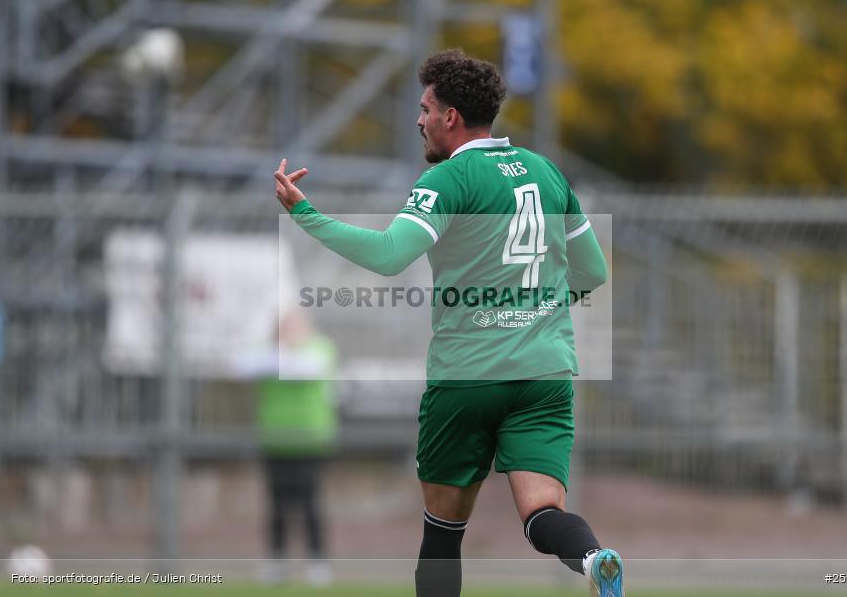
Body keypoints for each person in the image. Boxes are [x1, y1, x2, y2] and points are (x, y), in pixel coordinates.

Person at [273, 49, 621, 597]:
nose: (419, 120)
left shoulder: (450, 179)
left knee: (443, 532)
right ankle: (594, 558)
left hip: (467, 378)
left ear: (450, 116)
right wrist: (540, 304)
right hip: (544, 377)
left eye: (425, 108)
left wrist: (305, 215)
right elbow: (594, 272)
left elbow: (390, 255)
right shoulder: (546, 172)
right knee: (542, 514)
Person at [234, 310, 338, 586]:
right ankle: (276, 562)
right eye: (284, 327)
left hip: (310, 440)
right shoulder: (265, 351)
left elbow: (306, 368)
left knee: (309, 502)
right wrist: (278, 350)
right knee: (276, 504)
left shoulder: (320, 348)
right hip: (275, 440)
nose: (290, 331)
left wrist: (281, 354)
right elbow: (241, 365)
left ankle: (317, 562)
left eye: (295, 326)